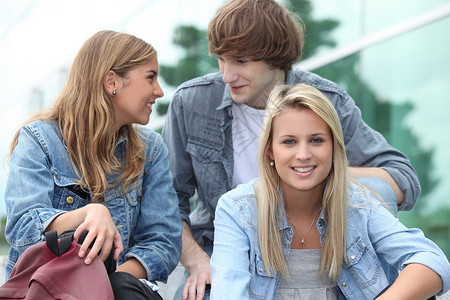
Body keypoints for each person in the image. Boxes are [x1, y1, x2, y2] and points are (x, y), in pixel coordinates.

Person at [162, 0, 420, 299]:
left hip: (323, 246)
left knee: (378, 186)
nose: (227, 74)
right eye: (221, 59)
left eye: (241, 61)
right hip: (225, 246)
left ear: (274, 58)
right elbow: (168, 200)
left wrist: (322, 168)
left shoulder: (326, 100)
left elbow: (403, 181)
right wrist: (197, 263)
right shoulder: (192, 102)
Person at [210, 83, 450, 299]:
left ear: (334, 147)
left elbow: (432, 260)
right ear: (270, 151)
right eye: (289, 141)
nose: (303, 155)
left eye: (316, 140)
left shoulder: (357, 204)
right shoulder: (237, 209)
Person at [5, 30, 182, 299]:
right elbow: (22, 227)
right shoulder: (40, 139)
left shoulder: (151, 149)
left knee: (124, 288)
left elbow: (163, 241)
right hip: (49, 290)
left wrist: (104, 284)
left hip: (118, 292)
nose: (158, 91)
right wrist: (89, 214)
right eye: (150, 77)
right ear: (112, 81)